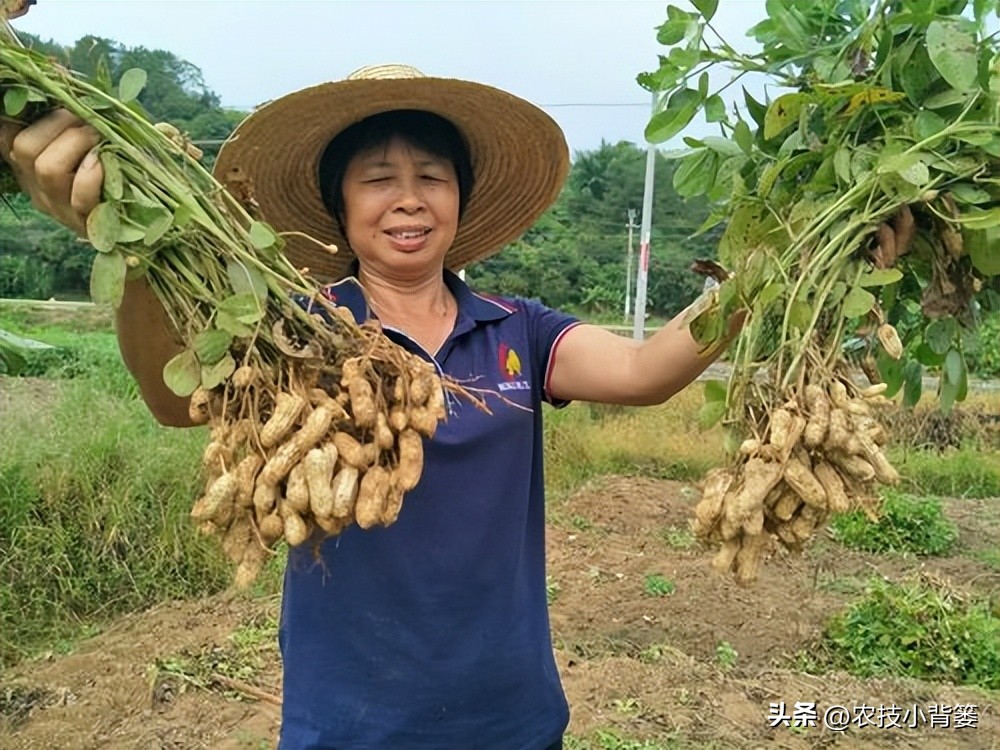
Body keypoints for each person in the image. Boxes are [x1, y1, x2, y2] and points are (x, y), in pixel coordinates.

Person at [0, 63, 745, 750]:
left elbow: (648, 369)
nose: (410, 196)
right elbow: (172, 399)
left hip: (512, 716)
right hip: (352, 724)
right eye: (378, 177)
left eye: (432, 175)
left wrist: (764, 276)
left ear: (460, 199)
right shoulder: (295, 332)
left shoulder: (519, 327)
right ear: (340, 203)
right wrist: (134, 256)